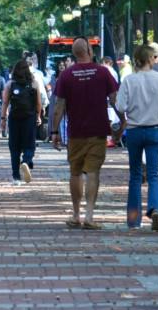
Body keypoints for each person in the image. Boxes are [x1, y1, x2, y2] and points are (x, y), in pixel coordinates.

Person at [48, 38, 118, 229]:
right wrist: (123, 121)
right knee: (93, 172)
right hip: (98, 130)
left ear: (74, 53)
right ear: (89, 49)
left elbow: (59, 106)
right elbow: (114, 99)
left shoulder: (66, 75)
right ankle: (89, 216)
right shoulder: (102, 72)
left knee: (75, 172)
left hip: (75, 131)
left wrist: (54, 131)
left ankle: (76, 214)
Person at [116, 44, 158, 229]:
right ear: (150, 59)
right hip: (155, 129)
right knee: (154, 174)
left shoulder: (129, 80)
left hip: (134, 130)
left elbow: (121, 106)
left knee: (135, 175)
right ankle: (155, 207)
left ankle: (133, 219)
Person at [0, 54, 49, 184]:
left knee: (14, 147)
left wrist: (3, 119)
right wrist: (38, 116)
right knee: (29, 144)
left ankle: (16, 177)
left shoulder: (10, 84)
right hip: (29, 117)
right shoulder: (33, 83)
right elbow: (38, 102)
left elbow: (5, 102)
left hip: (14, 118)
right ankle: (26, 161)